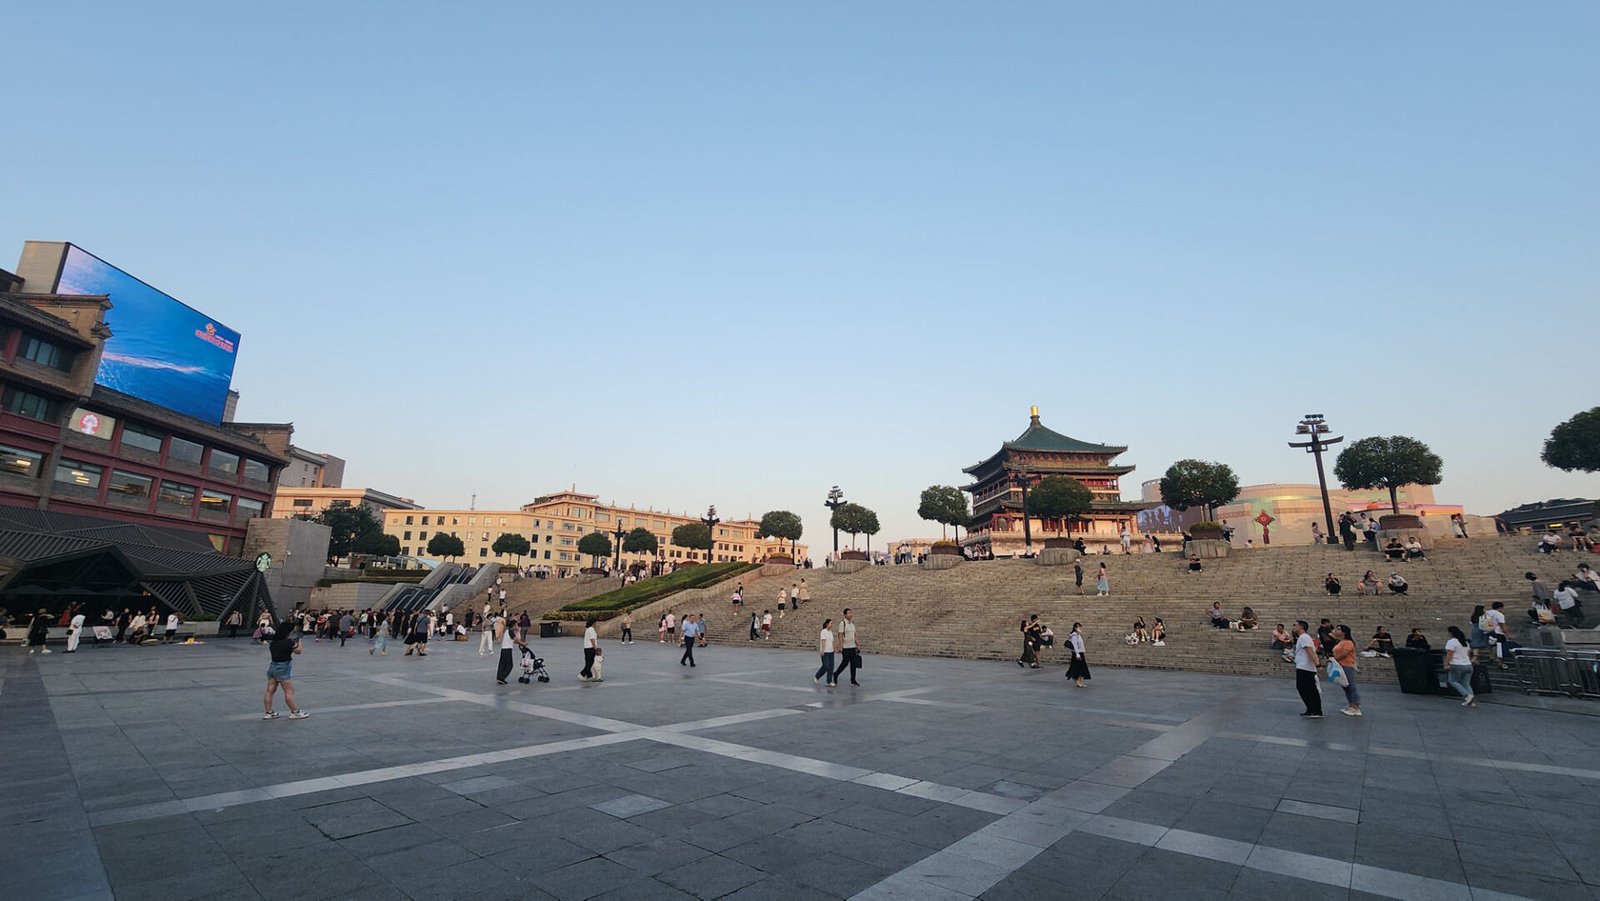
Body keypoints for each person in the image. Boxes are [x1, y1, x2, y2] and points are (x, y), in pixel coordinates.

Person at [263, 621, 309, 720]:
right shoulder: (288, 642)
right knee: (289, 691)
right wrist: (299, 641)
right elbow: (298, 651)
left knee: (269, 691)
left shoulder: (273, 642)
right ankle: (295, 712)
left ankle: (269, 712)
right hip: (283, 667)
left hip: (273, 666)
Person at [1291, 620, 1323, 718]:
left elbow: (1310, 652)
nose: (1293, 627)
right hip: (1304, 667)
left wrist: (1318, 665)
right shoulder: (1303, 637)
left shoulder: (1304, 637)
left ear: (1301, 627)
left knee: (1306, 689)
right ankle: (1312, 709)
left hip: (1305, 668)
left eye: (1295, 625)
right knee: (1308, 689)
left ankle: (1314, 710)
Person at [1329, 625, 1361, 716]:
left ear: (1344, 632)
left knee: (1351, 686)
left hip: (1347, 666)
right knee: (1345, 686)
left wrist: (1334, 659)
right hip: (1340, 666)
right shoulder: (1340, 642)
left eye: (1338, 629)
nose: (1336, 630)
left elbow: (1345, 654)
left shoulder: (1348, 642)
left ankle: (1356, 706)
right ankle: (1351, 705)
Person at [1442, 626, 1476, 706]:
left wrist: (1446, 664)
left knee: (1452, 681)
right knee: (1466, 684)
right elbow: (1468, 654)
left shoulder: (1451, 642)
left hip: (1457, 664)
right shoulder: (1465, 642)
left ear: (1451, 633)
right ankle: (1471, 700)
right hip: (1468, 665)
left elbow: (1449, 654)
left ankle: (1467, 696)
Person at [832, 609, 861, 686]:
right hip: (846, 647)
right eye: (849, 613)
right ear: (845, 615)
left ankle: (853, 680)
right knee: (845, 663)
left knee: (853, 664)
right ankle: (835, 674)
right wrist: (841, 645)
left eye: (851, 613)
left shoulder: (852, 624)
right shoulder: (843, 623)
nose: (851, 614)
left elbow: (854, 635)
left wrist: (857, 643)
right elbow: (840, 635)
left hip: (852, 646)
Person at [1064, 623, 1090, 687]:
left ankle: (1081, 681)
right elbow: (1075, 645)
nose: (1080, 628)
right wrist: (1077, 654)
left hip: (1081, 652)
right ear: (1075, 628)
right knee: (1078, 668)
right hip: (1077, 654)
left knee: (1082, 668)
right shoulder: (1074, 635)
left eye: (1080, 626)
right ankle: (1077, 681)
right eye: (1078, 627)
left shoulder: (1079, 635)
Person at [494, 615, 517, 685]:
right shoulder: (511, 631)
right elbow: (516, 639)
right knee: (509, 665)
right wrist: (523, 643)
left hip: (503, 649)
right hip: (507, 650)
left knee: (502, 664)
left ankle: (499, 677)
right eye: (516, 624)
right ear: (513, 625)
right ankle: (502, 677)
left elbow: (513, 640)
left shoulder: (507, 631)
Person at [815, 617, 836, 685]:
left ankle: (829, 681)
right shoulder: (823, 631)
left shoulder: (830, 632)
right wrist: (822, 651)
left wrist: (834, 649)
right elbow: (823, 641)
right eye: (831, 623)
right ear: (827, 624)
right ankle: (817, 676)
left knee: (831, 667)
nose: (832, 625)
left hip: (831, 651)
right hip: (825, 652)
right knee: (826, 666)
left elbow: (832, 641)